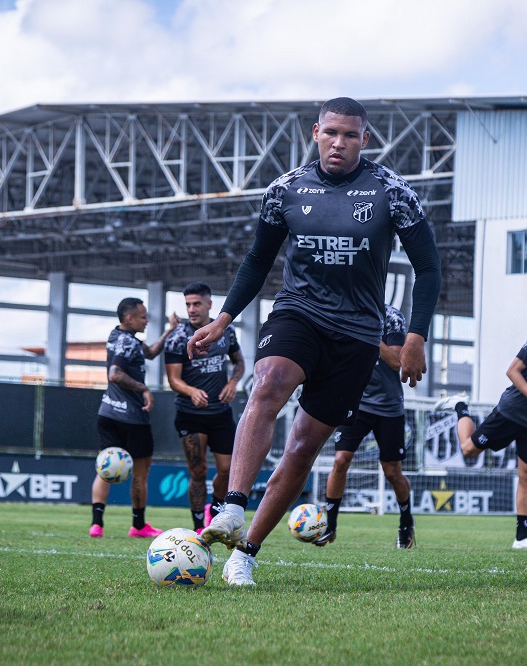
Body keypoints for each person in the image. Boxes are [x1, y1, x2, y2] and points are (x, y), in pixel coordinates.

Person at [188, 97, 442, 585]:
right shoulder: (285, 190)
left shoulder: (392, 192)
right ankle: (234, 506)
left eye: (350, 135)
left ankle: (246, 554)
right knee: (268, 382)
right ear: (315, 133)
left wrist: (416, 336)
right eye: (331, 133)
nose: (339, 143)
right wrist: (223, 319)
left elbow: (428, 268)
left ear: (365, 139)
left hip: (358, 335)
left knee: (303, 447)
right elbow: (258, 261)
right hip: (298, 313)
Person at [438, 297, 527, 550]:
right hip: (510, 412)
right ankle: (460, 407)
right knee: (468, 450)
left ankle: (522, 538)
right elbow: (512, 371)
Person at [319, 304, 415, 549]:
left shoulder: (392, 317)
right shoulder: (346, 309)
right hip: (355, 401)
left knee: (392, 471)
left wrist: (370, 332)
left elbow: (396, 361)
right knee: (341, 460)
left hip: (389, 406)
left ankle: (406, 524)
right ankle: (330, 526)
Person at [90, 297, 179, 539]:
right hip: (132, 418)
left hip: (107, 413)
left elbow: (149, 352)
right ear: (129, 318)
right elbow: (115, 374)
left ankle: (96, 524)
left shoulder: (116, 336)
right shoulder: (128, 343)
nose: (147, 320)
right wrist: (144, 389)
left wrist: (169, 331)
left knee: (104, 469)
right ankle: (138, 526)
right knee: (141, 473)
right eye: (143, 316)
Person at [164, 282, 245, 534]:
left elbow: (239, 362)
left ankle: (216, 509)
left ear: (209, 304)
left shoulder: (225, 332)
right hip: (191, 415)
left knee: (227, 470)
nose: (191, 309)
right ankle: (199, 527)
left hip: (220, 413)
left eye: (196, 303)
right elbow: (173, 379)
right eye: (187, 304)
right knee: (198, 471)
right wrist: (191, 391)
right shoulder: (177, 338)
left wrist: (233, 382)